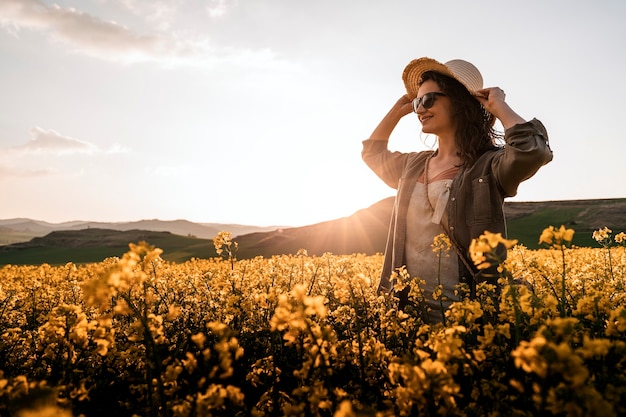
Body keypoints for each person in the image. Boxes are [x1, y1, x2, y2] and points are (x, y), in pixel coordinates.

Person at [361, 57, 552, 323]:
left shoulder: (489, 166)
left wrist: (499, 106)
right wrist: (396, 111)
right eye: (417, 102)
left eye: (428, 100)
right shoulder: (412, 165)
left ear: (459, 103)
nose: (419, 110)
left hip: (469, 321)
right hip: (406, 317)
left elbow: (532, 151)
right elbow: (373, 153)